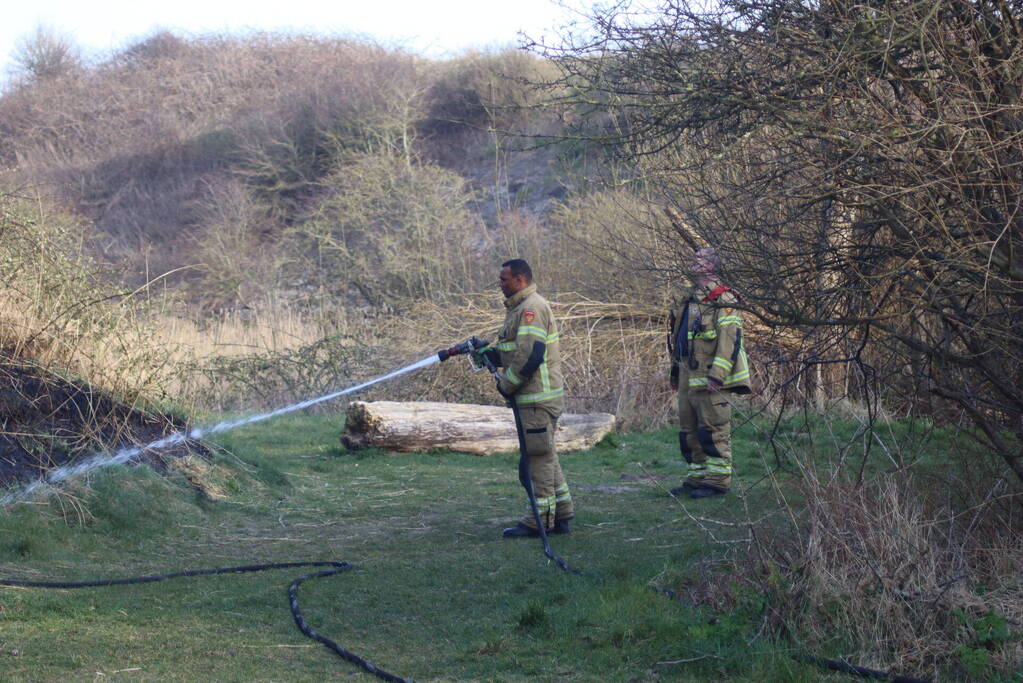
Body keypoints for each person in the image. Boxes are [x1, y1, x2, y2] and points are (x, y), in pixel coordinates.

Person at [491, 259, 574, 538]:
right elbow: (516, 350)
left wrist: (507, 384)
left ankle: (540, 520)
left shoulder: (531, 309)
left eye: (504, 279)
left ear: (520, 280)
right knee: (546, 455)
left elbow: (531, 355)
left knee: (536, 461)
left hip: (536, 399)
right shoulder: (519, 309)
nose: (500, 284)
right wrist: (491, 355)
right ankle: (562, 513)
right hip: (535, 398)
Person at [667, 247, 751, 498]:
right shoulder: (690, 299)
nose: (694, 262)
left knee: (712, 430)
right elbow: (679, 338)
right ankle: (697, 476)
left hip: (710, 377)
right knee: (689, 430)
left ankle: (716, 481)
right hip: (686, 374)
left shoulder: (723, 299)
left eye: (700, 259)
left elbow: (729, 341)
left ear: (712, 266)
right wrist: (674, 374)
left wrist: (718, 376)